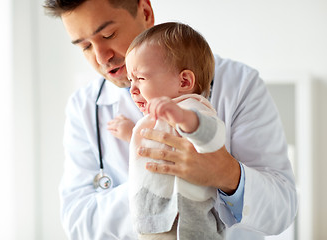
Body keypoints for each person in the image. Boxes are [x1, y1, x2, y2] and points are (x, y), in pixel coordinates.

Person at [43, 0, 298, 239]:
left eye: (108, 35)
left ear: (145, 12)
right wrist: (155, 180)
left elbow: (282, 208)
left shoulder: (239, 84)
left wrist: (225, 173)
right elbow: (77, 220)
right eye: (85, 46)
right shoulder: (84, 106)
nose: (100, 57)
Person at [121, 22, 226, 240]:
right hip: (154, 222)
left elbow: (213, 136)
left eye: (140, 78)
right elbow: (157, 142)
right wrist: (131, 134)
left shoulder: (191, 108)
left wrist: (184, 118)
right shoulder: (156, 117)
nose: (132, 89)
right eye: (131, 80)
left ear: (184, 81)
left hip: (188, 226)